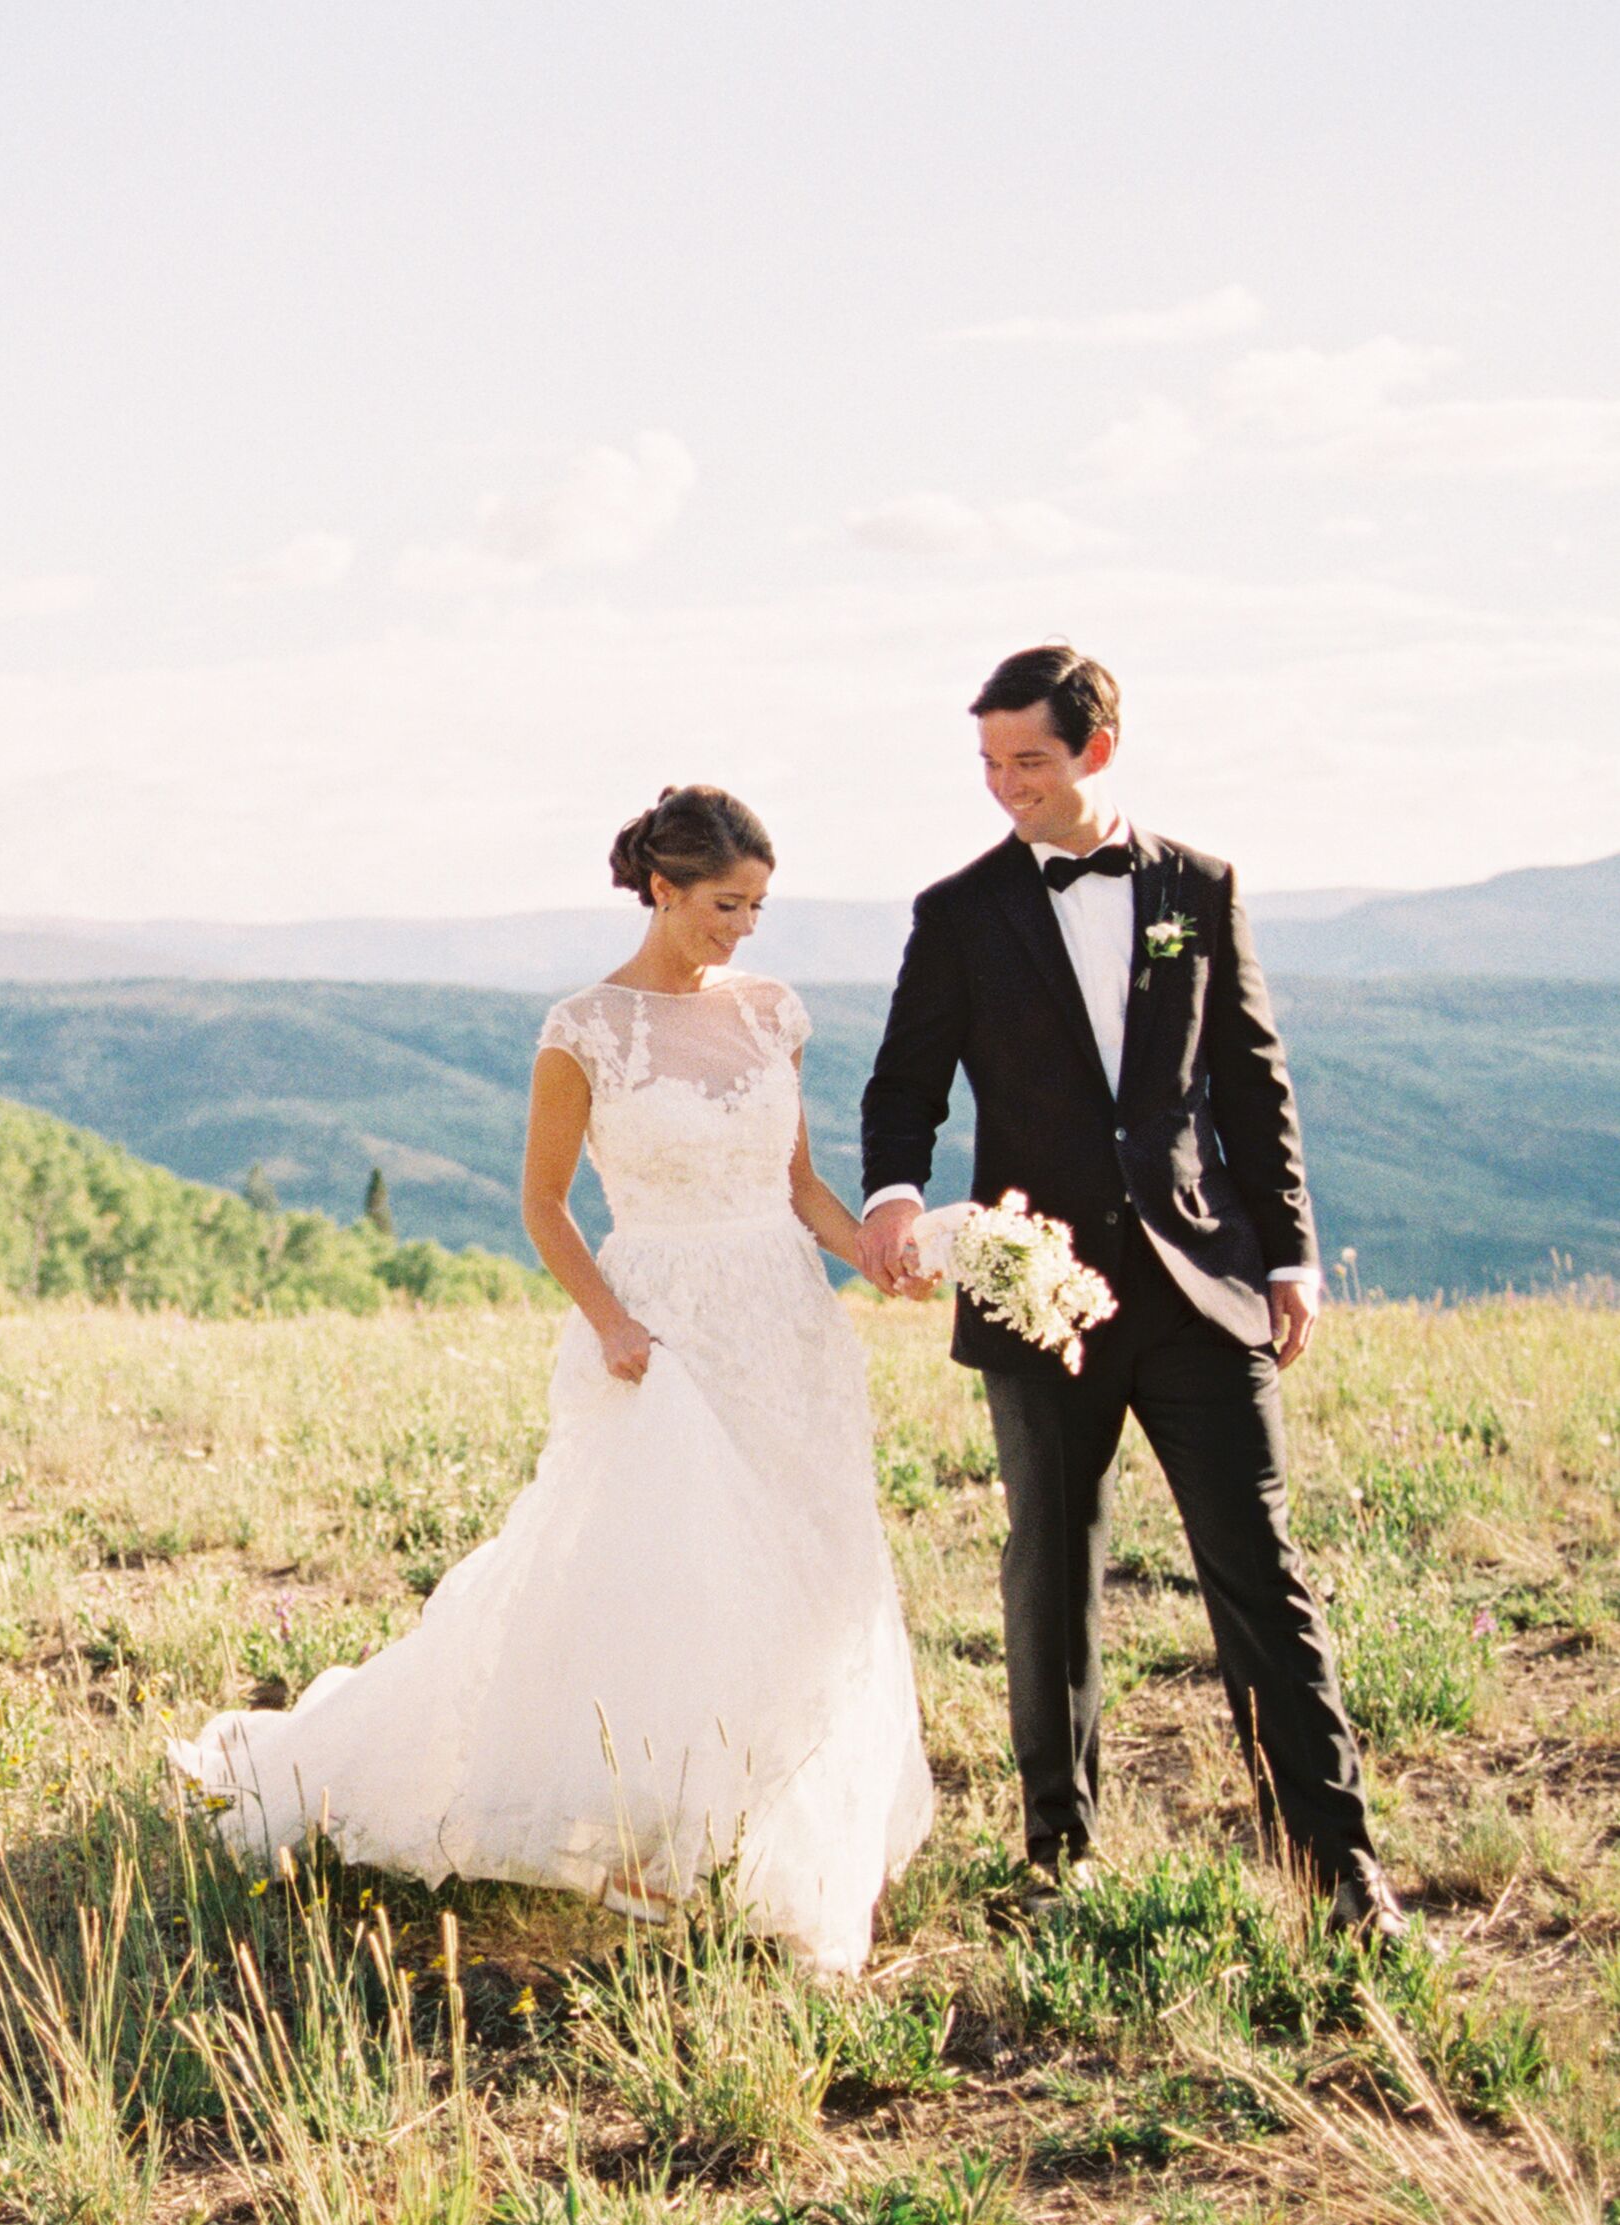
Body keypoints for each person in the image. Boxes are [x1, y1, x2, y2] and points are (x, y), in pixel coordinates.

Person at [171, 786, 933, 1973]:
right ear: (662, 888)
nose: (744, 927)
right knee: (664, 1568)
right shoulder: (583, 1028)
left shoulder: (773, 1014)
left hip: (782, 1324)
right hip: (661, 1327)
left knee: (808, 1565)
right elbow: (542, 1203)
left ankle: (775, 1815)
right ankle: (638, 1829)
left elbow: (798, 1187)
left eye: (759, 907)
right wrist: (612, 1321)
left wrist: (876, 1255)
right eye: (726, 904)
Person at [856, 645, 1405, 1939]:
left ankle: (1337, 1867)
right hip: (1027, 1279)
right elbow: (903, 1085)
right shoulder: (954, 912)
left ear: (1095, 750)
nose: (1004, 788)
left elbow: (1252, 1084)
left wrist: (1287, 1255)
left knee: (1259, 1572)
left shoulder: (1196, 889)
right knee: (1050, 1571)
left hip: (1199, 1285)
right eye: (987, 764)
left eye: (1027, 762)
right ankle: (1060, 1854)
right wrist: (889, 1195)